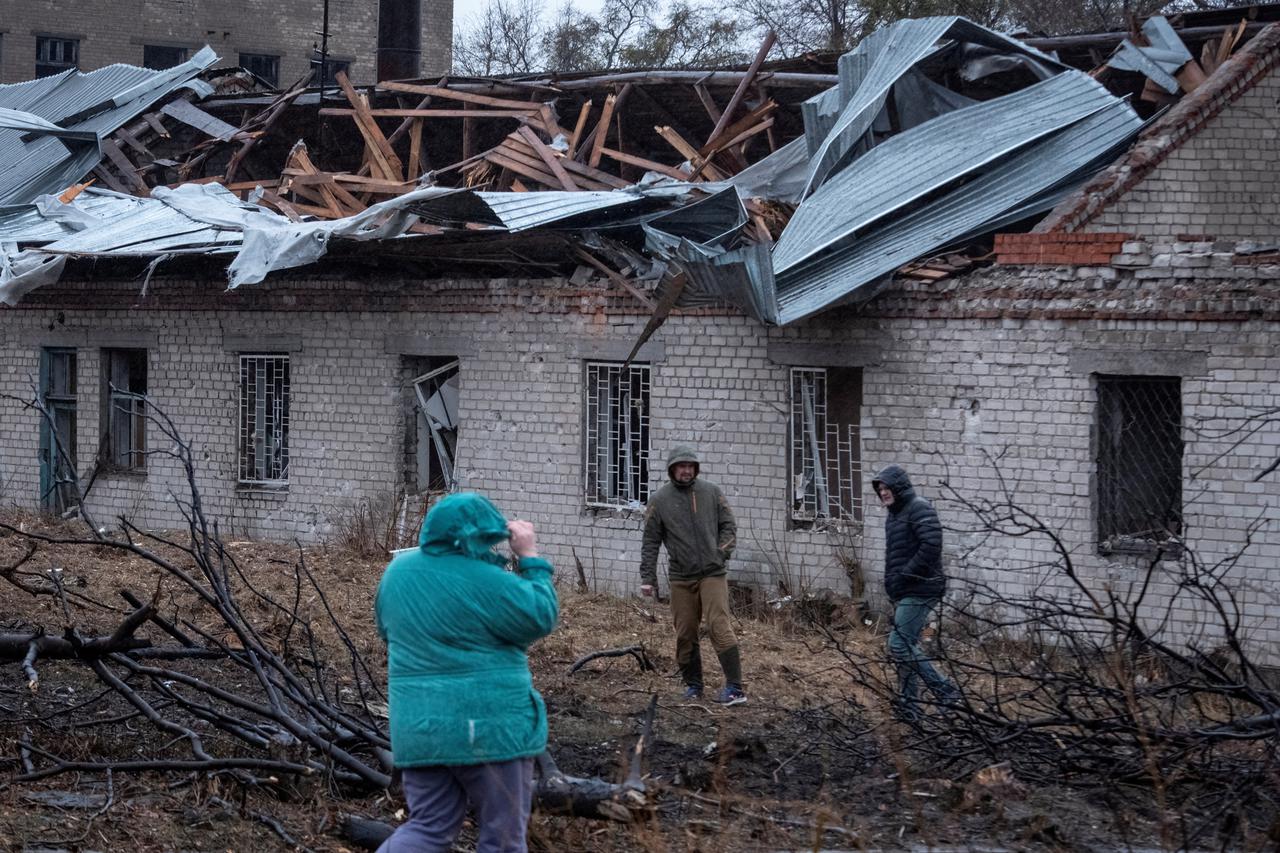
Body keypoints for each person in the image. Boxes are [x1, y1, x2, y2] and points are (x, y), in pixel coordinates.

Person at [374, 492, 558, 853]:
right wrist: (530, 557)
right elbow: (541, 615)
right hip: (490, 731)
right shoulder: (487, 581)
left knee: (428, 828)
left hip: (419, 731)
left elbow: (385, 630)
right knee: (502, 838)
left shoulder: (396, 574)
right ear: (479, 537)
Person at [639, 445, 745, 706]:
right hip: (681, 578)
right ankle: (694, 686)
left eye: (690, 466)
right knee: (685, 632)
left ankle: (735, 688)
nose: (686, 470)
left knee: (718, 625)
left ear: (695, 468)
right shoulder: (660, 500)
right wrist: (647, 578)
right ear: (672, 469)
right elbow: (650, 541)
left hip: (712, 573)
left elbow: (729, 526)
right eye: (681, 466)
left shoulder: (711, 492)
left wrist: (720, 553)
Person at [871, 465, 958, 721]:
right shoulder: (895, 514)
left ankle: (946, 691)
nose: (884, 493)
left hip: (922, 588)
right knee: (906, 645)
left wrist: (905, 576)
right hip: (907, 589)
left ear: (899, 487)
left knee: (899, 645)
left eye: (887, 488)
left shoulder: (918, 508)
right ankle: (910, 706)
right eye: (881, 489)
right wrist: (894, 584)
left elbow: (932, 545)